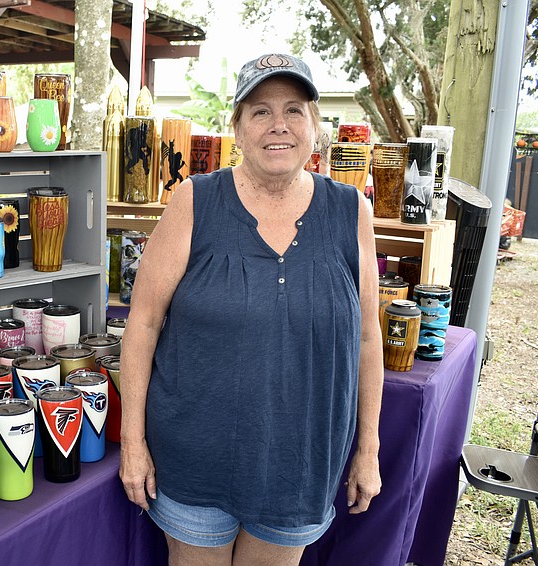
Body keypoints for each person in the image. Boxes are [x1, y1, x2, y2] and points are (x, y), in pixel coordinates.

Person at [119, 53, 384, 566]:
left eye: (293, 110)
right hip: (194, 460)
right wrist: (134, 442)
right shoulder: (194, 202)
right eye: (260, 111)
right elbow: (143, 324)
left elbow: (368, 337)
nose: (278, 125)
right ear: (236, 128)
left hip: (300, 464)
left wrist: (368, 448)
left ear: (314, 127)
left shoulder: (351, 211)